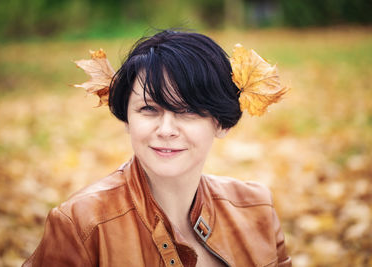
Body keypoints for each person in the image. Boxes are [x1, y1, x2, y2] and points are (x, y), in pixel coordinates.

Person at [23, 30, 291, 267]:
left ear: (221, 123)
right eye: (149, 109)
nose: (166, 129)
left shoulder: (256, 208)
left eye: (187, 110)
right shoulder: (82, 225)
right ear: (127, 118)